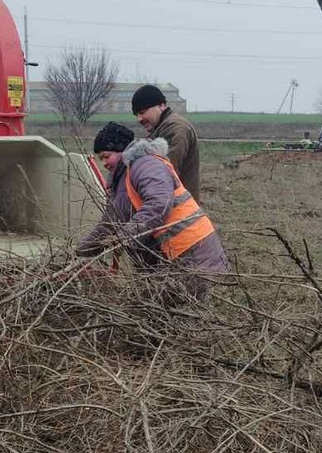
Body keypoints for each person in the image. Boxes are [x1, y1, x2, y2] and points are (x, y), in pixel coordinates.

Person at [77, 122, 229, 304]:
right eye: (101, 158)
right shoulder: (121, 180)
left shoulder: (145, 165)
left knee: (184, 311)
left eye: (106, 156)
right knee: (160, 309)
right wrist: (82, 250)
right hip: (171, 254)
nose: (104, 163)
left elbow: (158, 204)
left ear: (121, 150)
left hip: (190, 251)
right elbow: (110, 221)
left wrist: (124, 236)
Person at [131, 84, 202, 202]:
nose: (139, 119)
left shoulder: (176, 128)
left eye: (143, 112)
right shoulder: (161, 129)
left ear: (161, 105)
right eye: (136, 114)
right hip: (171, 205)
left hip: (180, 210)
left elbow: (166, 173)